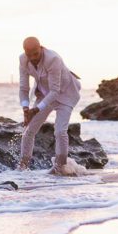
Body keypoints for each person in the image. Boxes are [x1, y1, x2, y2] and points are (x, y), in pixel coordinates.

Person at [17, 36, 82, 173]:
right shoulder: (23, 59)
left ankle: (60, 167)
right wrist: (25, 108)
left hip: (66, 94)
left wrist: (36, 109)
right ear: (25, 52)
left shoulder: (53, 59)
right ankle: (23, 167)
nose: (33, 57)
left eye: (36, 53)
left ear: (41, 48)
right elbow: (23, 88)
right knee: (29, 131)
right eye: (30, 55)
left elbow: (55, 91)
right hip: (44, 94)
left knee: (60, 131)